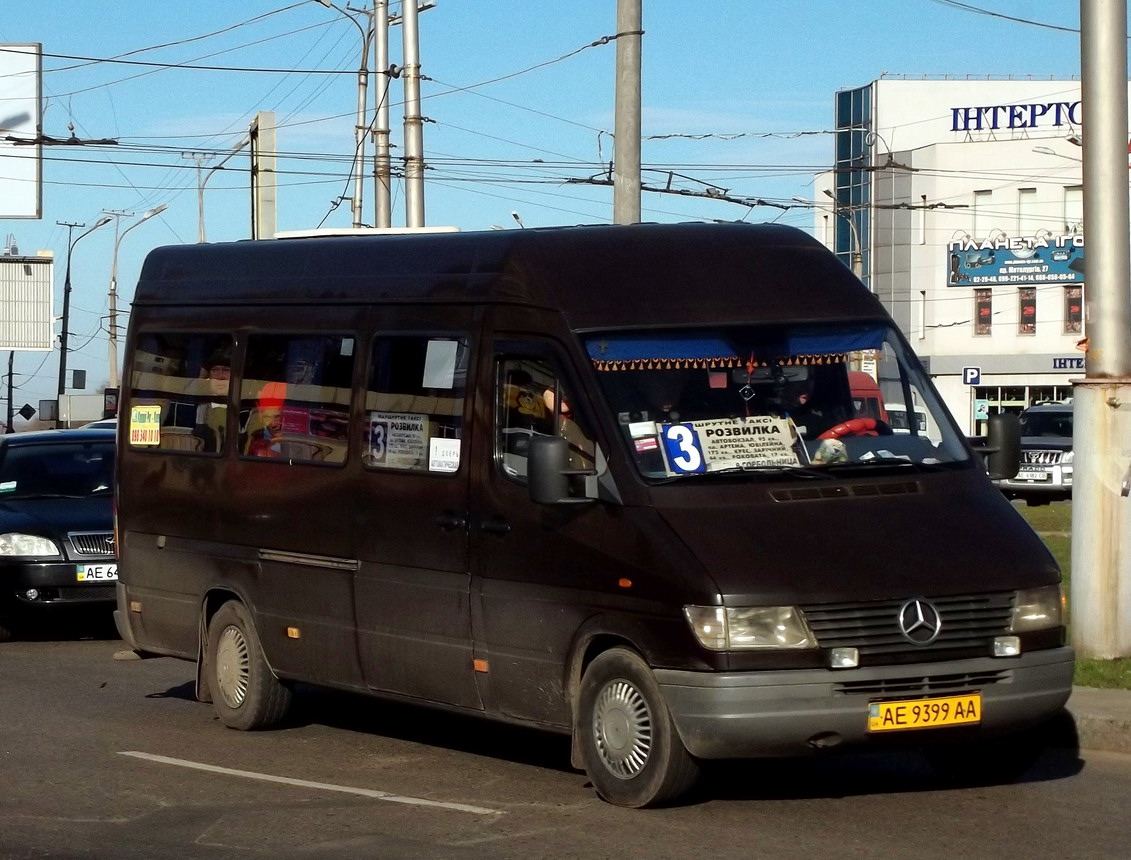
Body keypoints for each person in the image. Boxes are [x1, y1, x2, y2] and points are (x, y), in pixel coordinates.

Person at [192, 350, 230, 452]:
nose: (220, 376)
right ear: (208, 376)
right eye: (215, 370)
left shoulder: (243, 410)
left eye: (226, 370)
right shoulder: (195, 406)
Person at [246, 382, 287, 458]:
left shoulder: (299, 440)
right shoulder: (255, 438)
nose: (273, 424)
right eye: (267, 417)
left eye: (277, 417)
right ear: (260, 416)